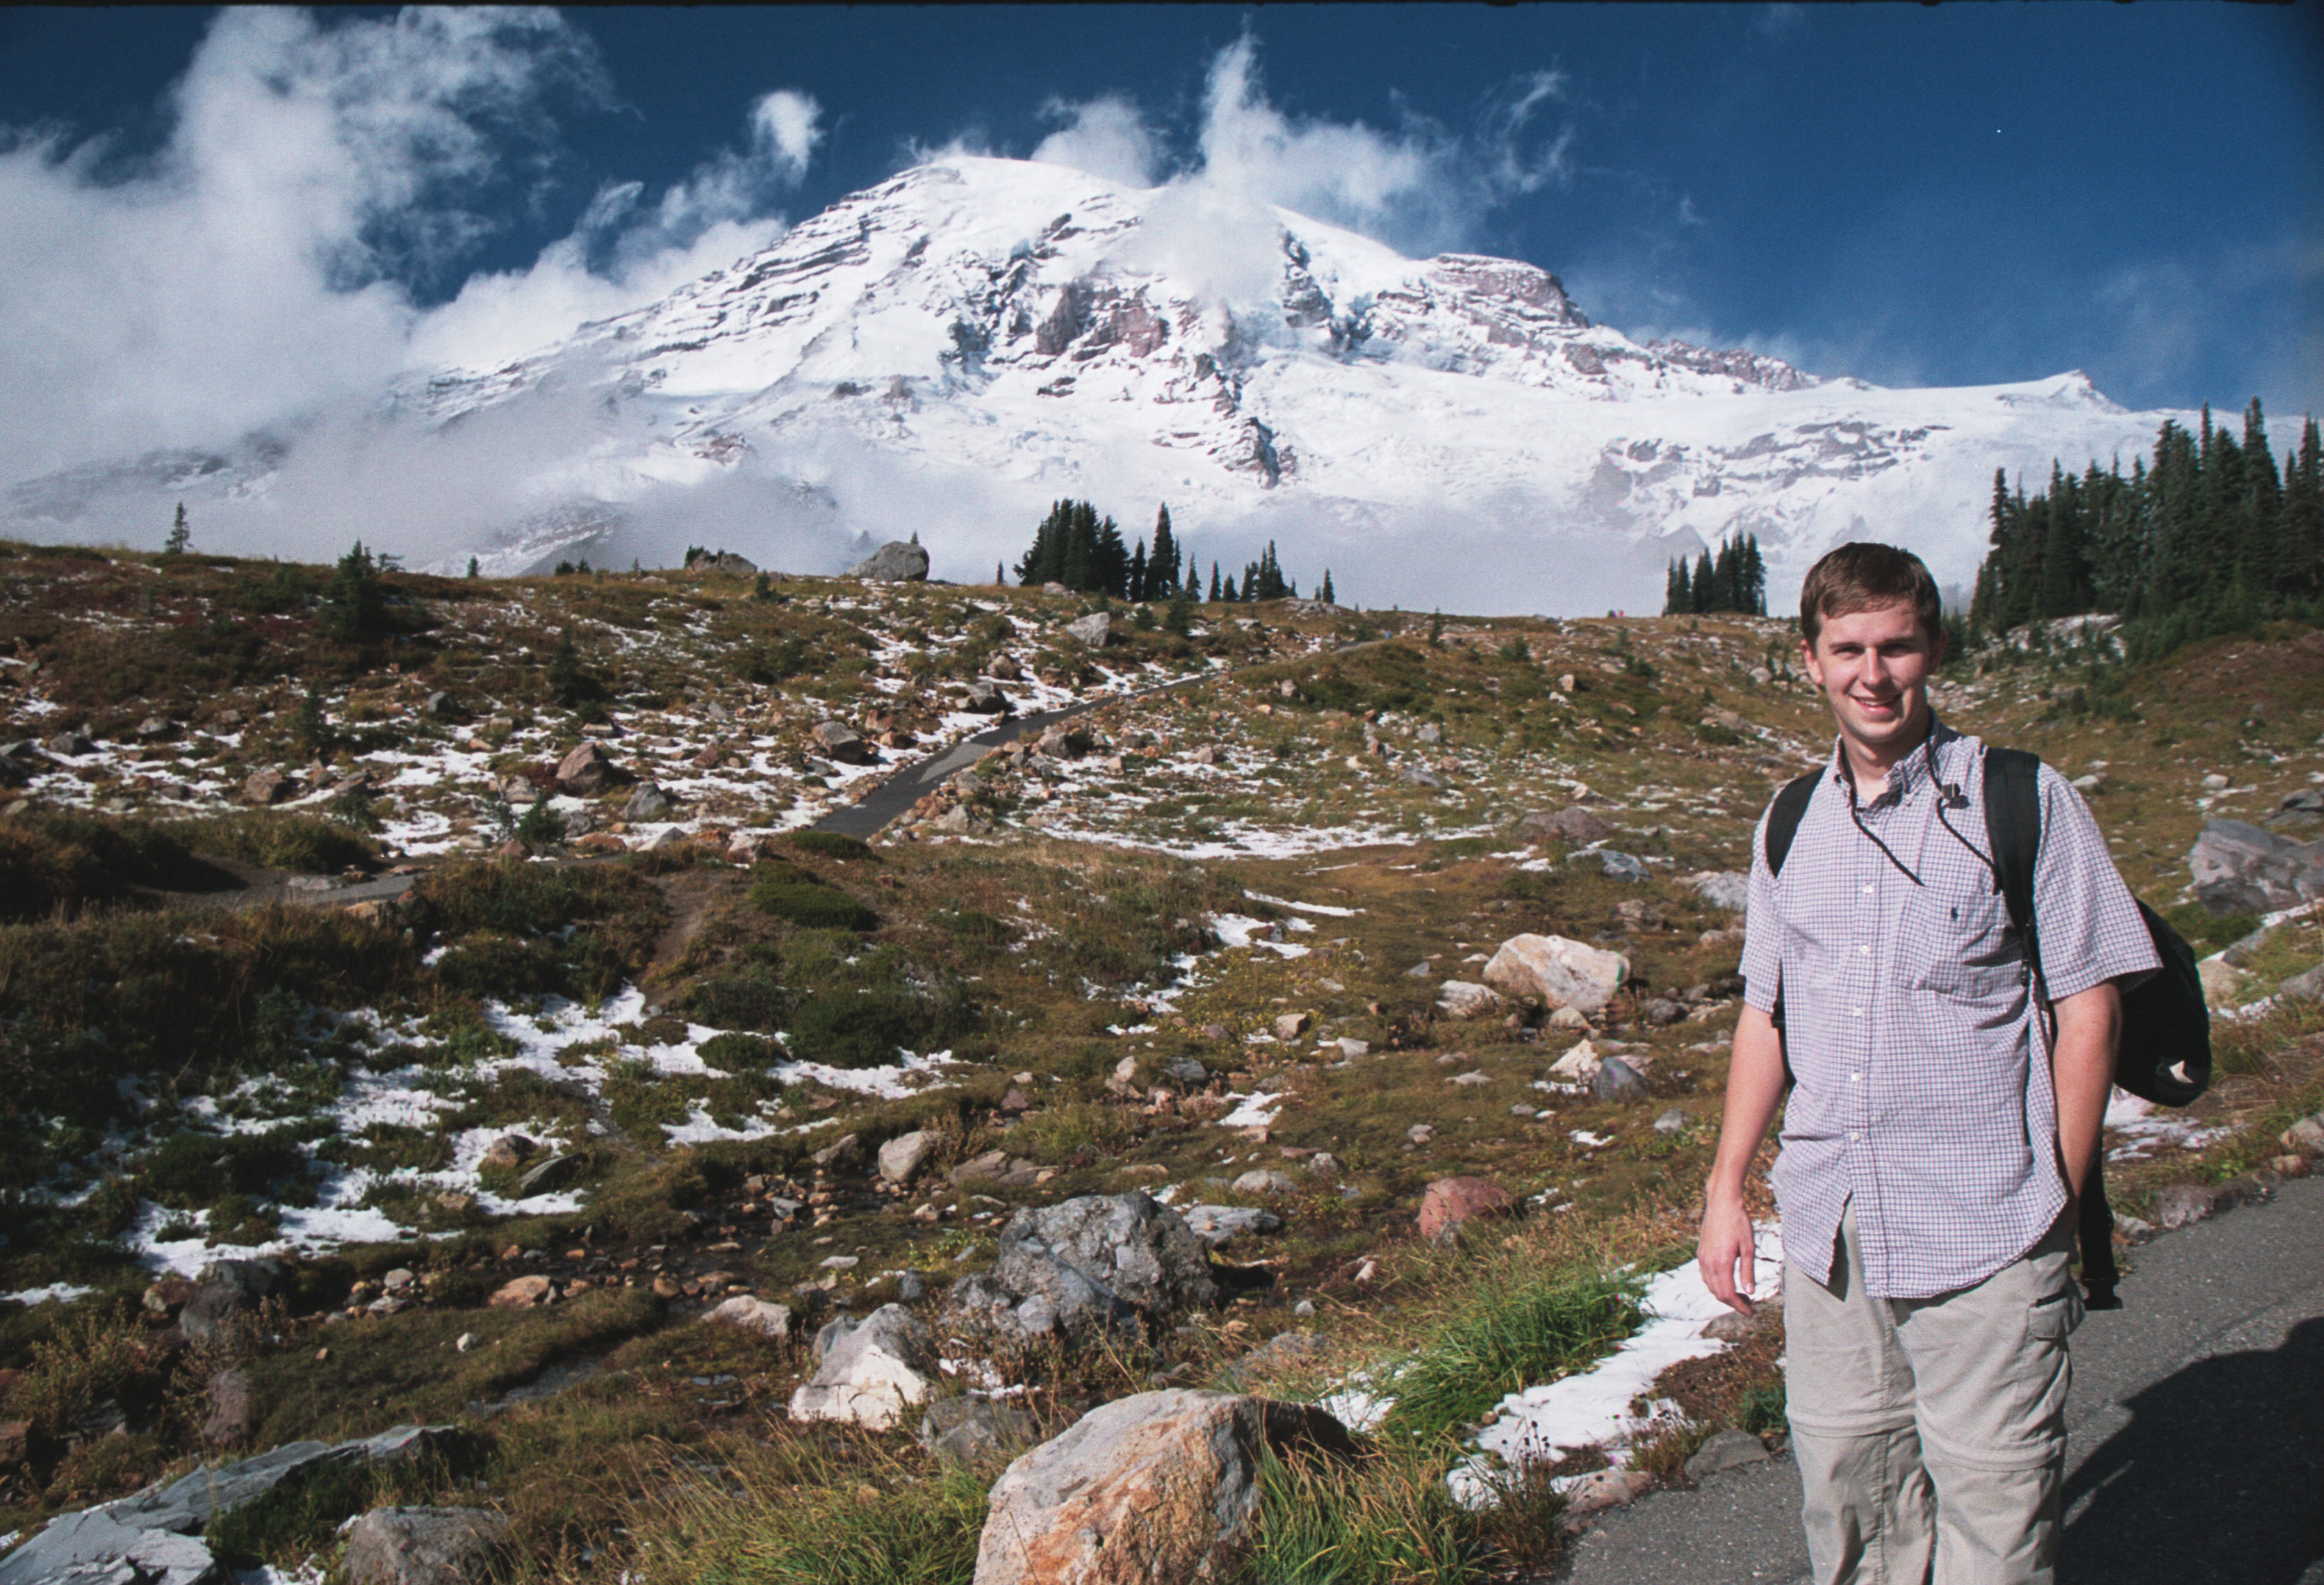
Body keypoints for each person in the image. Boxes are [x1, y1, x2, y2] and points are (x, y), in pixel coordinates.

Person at [1696, 542, 2157, 1585]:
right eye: (1849, 647)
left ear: (1932, 649)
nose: (1874, 672)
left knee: (1996, 1527)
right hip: (1834, 1233)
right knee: (1851, 1516)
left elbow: (2089, 1008)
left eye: (1897, 646)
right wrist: (1728, 1189)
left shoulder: (2022, 799)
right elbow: (1765, 1014)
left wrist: (2061, 1198)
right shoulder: (1789, 822)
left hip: (1990, 1227)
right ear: (1809, 660)